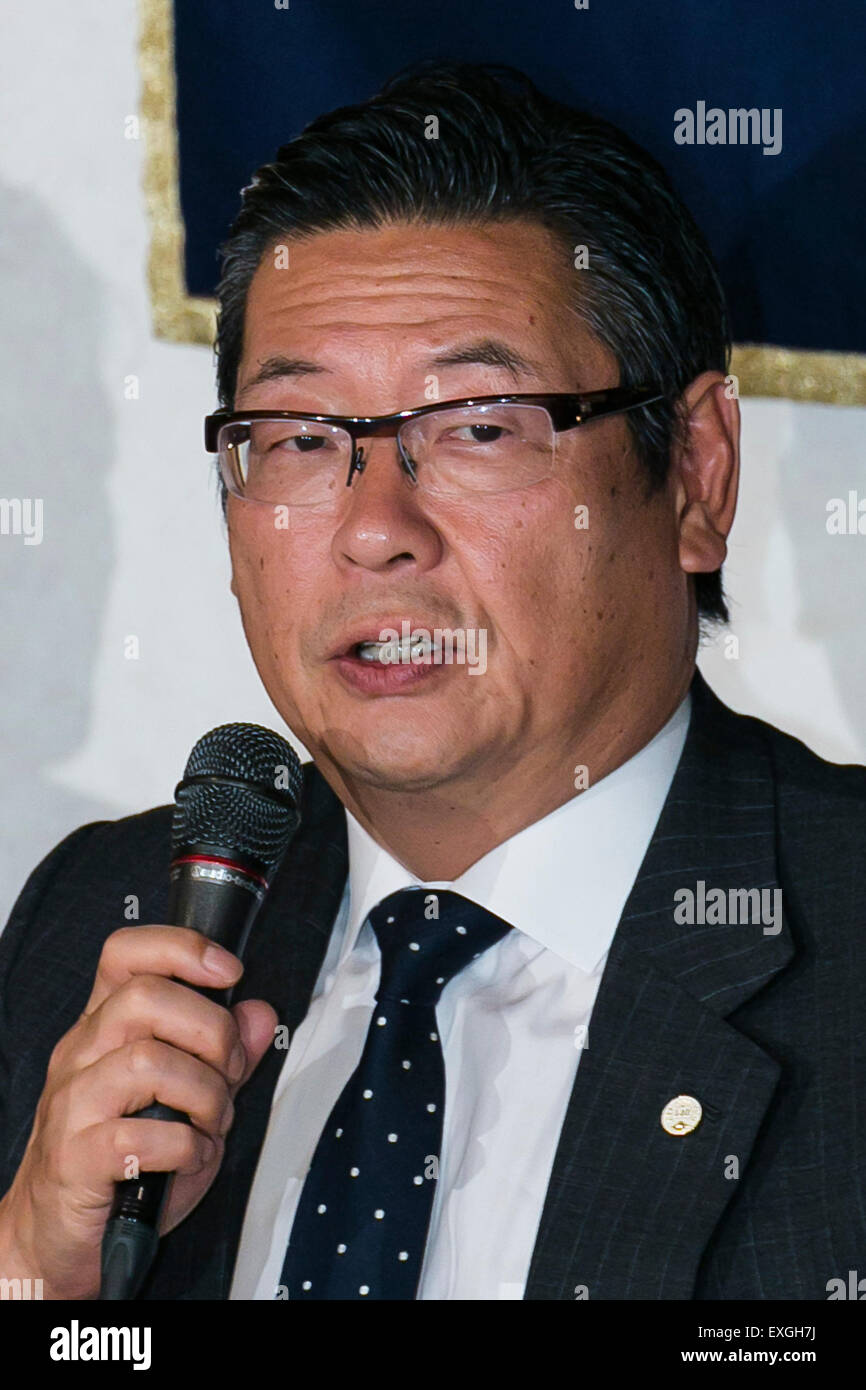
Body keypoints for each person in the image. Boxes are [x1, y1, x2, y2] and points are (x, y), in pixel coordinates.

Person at [0, 61, 863, 1302]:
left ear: (694, 477)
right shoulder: (101, 923)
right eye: (299, 440)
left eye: (475, 427)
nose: (373, 529)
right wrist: (34, 1274)